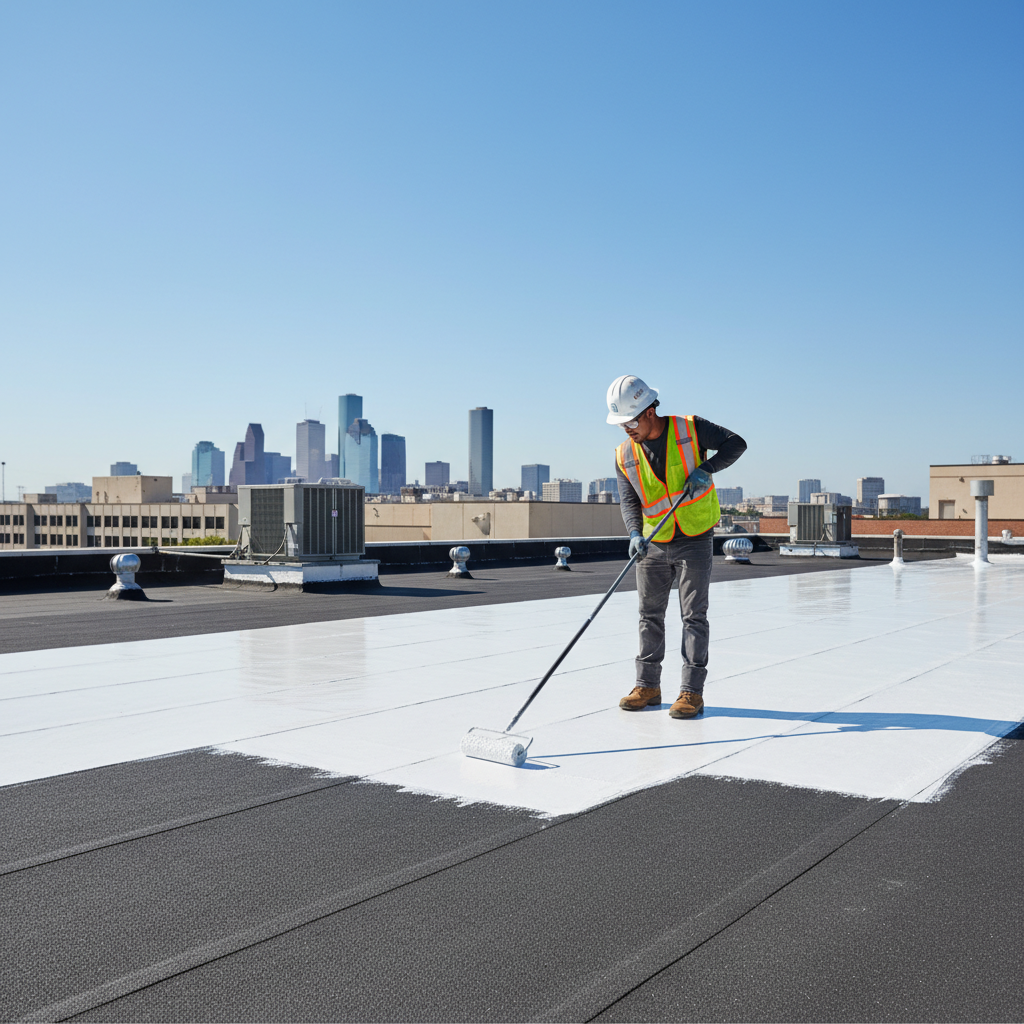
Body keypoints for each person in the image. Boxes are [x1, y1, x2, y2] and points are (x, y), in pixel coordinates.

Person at [607, 374, 746, 718]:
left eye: (630, 420)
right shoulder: (624, 454)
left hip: (695, 535)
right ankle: (648, 687)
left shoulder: (690, 428)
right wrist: (634, 533)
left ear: (649, 411)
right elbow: (629, 500)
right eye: (622, 423)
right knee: (648, 616)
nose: (626, 429)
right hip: (653, 541)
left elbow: (736, 443)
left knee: (693, 617)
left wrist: (707, 468)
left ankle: (691, 693)